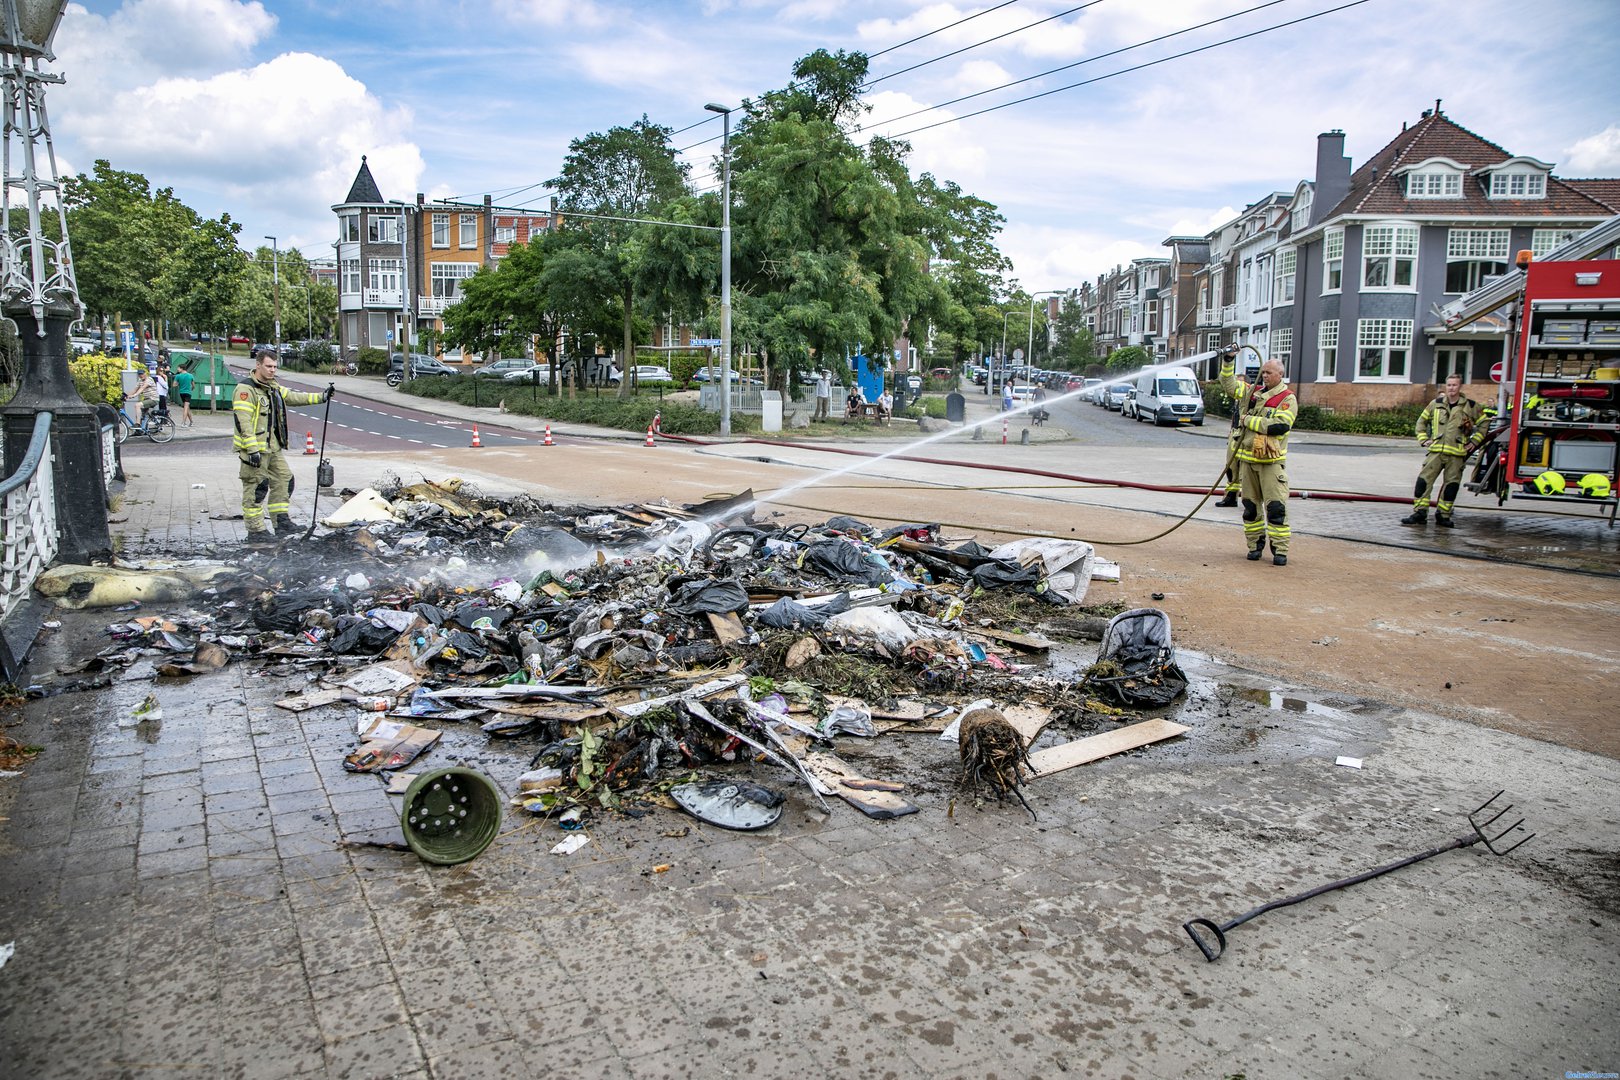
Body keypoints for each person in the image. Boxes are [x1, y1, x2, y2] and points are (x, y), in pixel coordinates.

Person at [233, 351, 330, 544]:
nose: (272, 370)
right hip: (255, 450)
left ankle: (281, 522)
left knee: (284, 479)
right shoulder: (246, 389)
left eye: (275, 367)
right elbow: (243, 422)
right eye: (269, 366)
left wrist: (322, 397)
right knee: (256, 488)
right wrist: (251, 449)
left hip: (273, 448)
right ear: (258, 365)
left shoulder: (272, 387)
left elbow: (293, 397)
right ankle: (256, 531)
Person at [1219, 349, 1297, 565]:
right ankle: (1254, 546)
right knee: (1250, 508)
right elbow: (1229, 384)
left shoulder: (1287, 398)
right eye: (1263, 372)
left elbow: (1280, 425)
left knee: (1276, 508)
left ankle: (1280, 551)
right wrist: (1228, 361)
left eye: (1269, 373)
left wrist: (1247, 421)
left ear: (1280, 375)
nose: (1264, 376)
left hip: (1271, 465)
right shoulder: (1252, 393)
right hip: (1248, 464)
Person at [1401, 374, 1488, 528]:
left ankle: (1443, 515)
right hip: (1435, 452)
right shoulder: (1435, 404)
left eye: (1454, 385)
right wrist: (1423, 439)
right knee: (1423, 482)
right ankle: (1420, 513)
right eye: (1449, 385)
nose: (1451, 388)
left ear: (1460, 387)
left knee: (1451, 486)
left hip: (1456, 455)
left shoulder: (1471, 406)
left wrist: (1474, 442)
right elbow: (1421, 422)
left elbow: (1484, 424)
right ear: (1445, 386)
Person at [173, 361, 195, 427]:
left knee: (186, 407)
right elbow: (193, 385)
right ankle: (183, 423)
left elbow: (174, 385)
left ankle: (191, 422)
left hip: (181, 393)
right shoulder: (190, 375)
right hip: (188, 393)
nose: (177, 369)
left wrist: (179, 383)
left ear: (182, 368)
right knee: (186, 407)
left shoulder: (178, 376)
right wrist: (191, 389)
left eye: (178, 368)